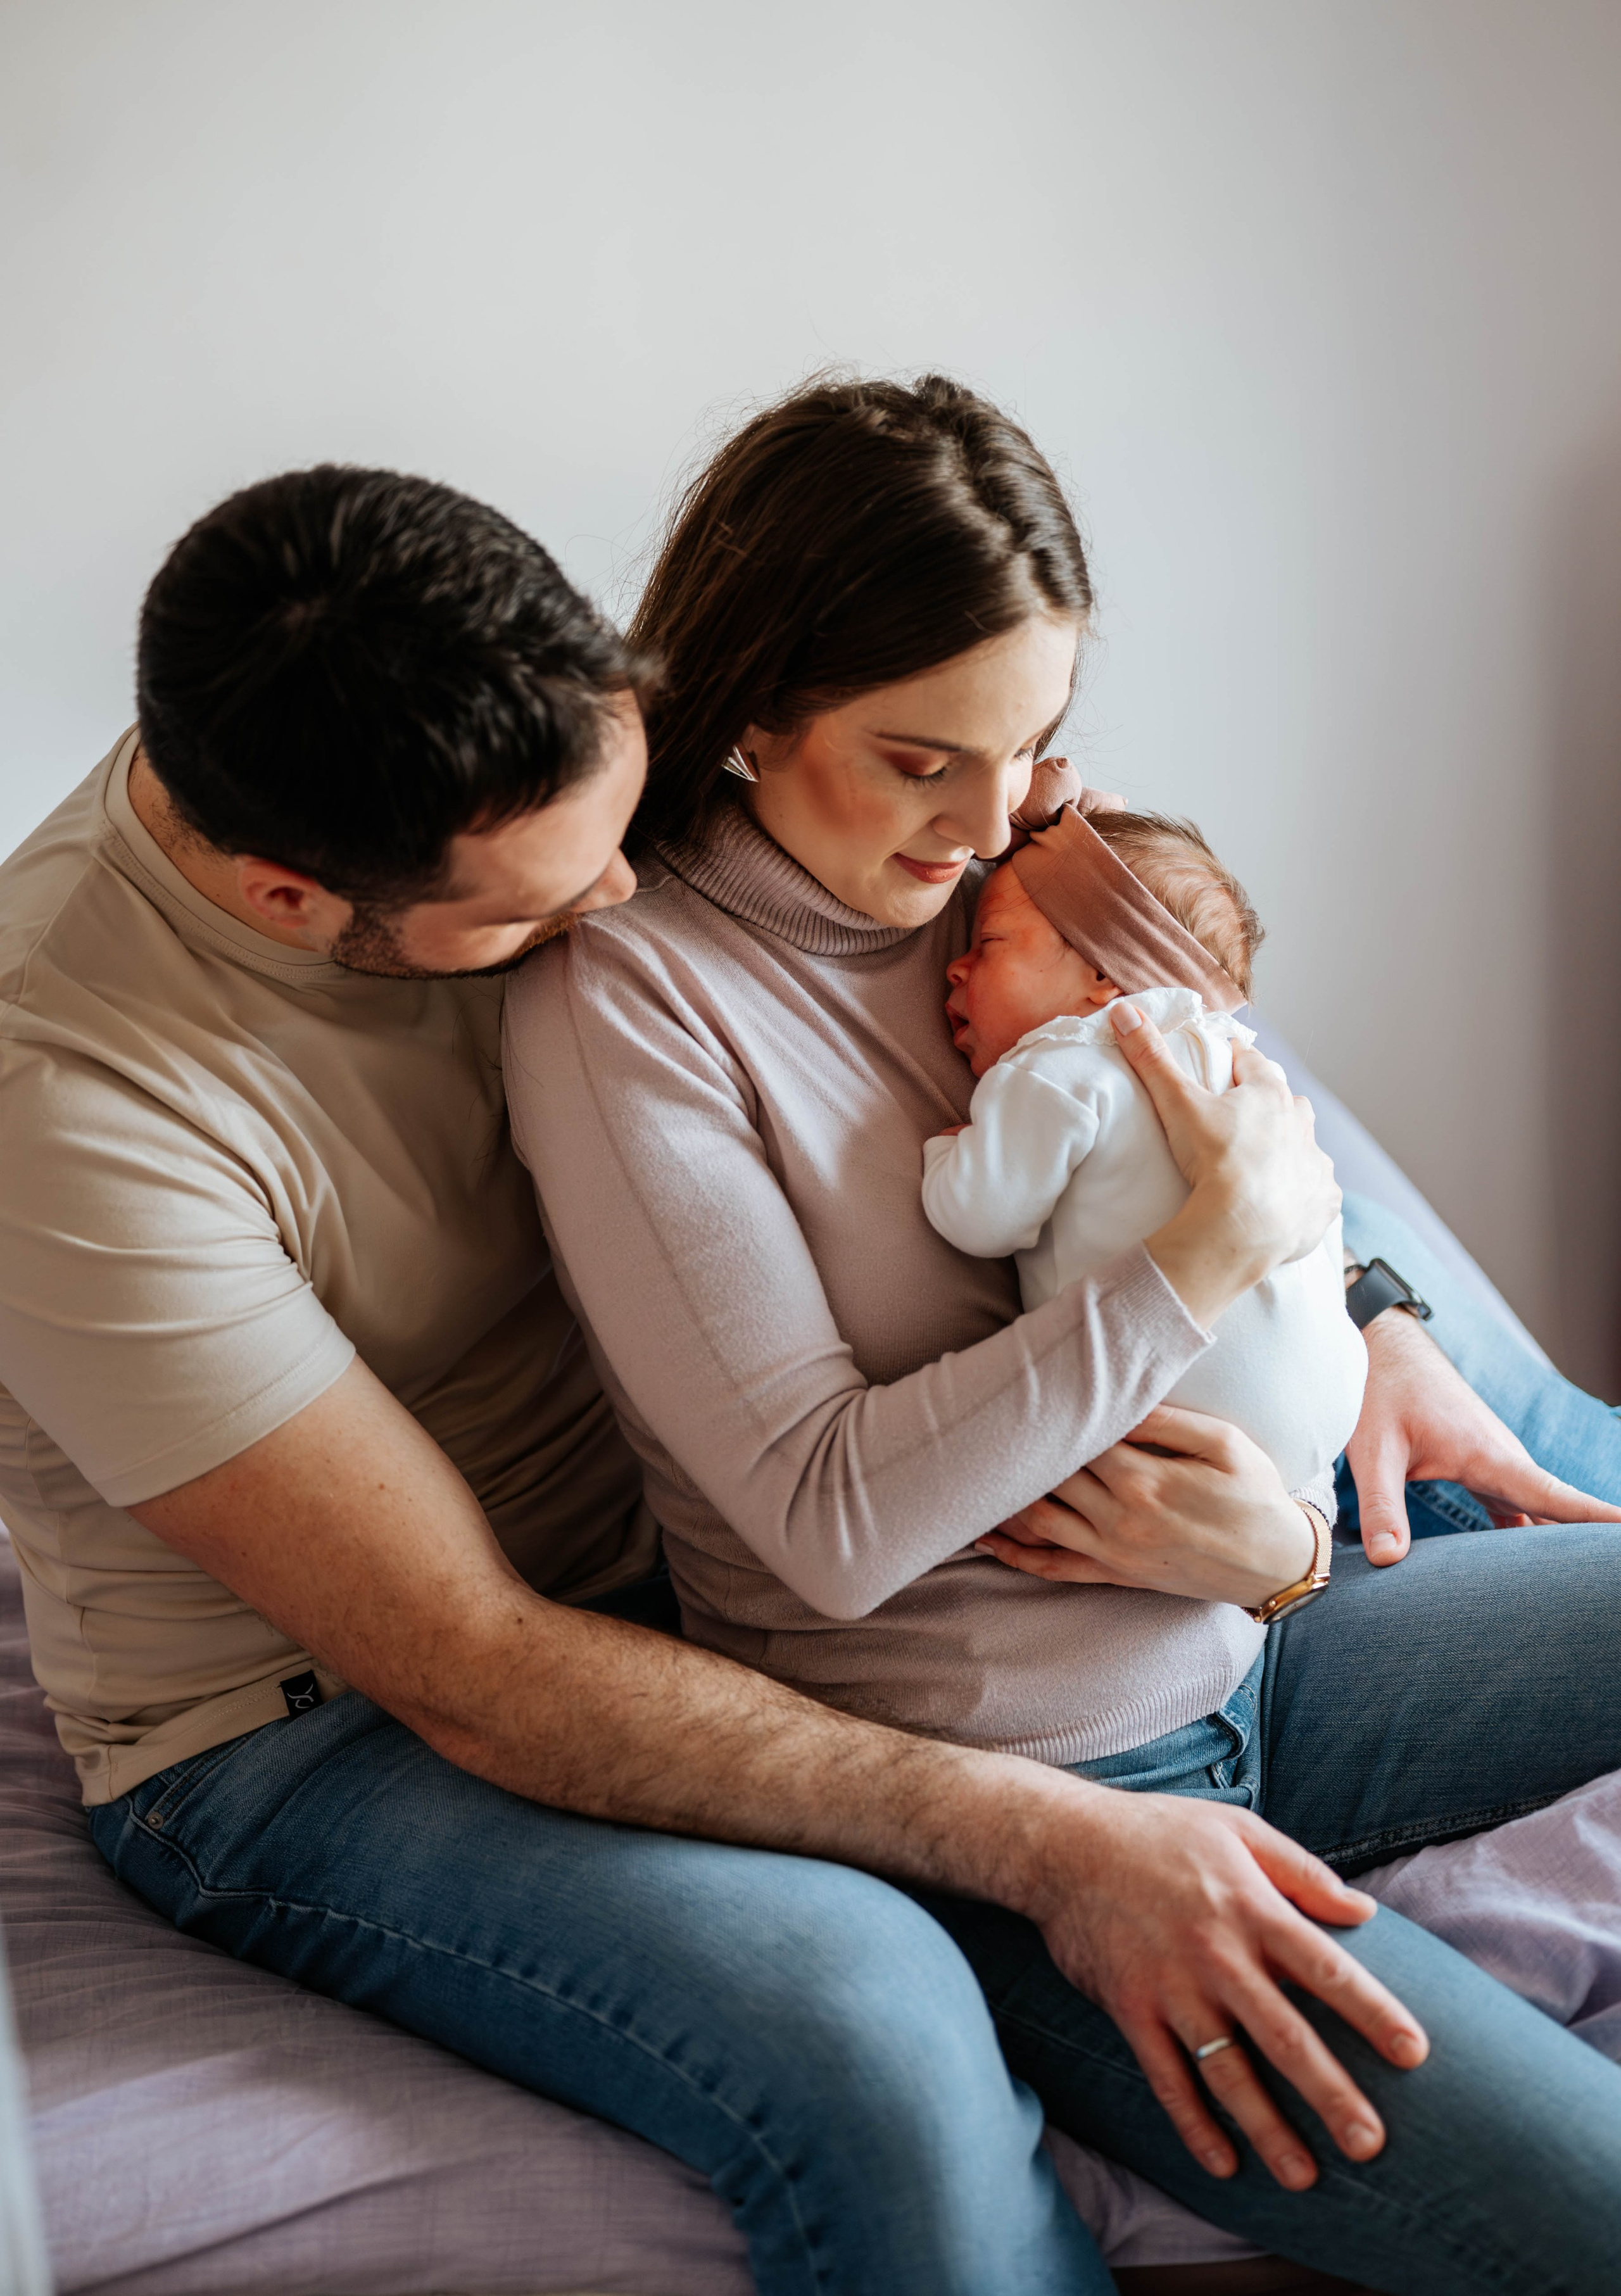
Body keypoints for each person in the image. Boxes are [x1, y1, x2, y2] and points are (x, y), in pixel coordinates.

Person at [0, 449, 1609, 2296]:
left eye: (628, 809)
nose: (620, 893)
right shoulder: (75, 1110)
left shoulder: (756, 795)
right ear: (296, 905)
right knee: (873, 2030)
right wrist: (1064, 1842)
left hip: (825, 1600)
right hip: (328, 1715)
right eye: (535, 910)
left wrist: (1363, 1333)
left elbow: (1187, 1086)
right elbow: (479, 1663)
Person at [506, 372, 1621, 2292]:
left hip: (1272, 1644)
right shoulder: (633, 998)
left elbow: (1251, 1148)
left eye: (1030, 743)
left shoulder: (1034, 867)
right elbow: (828, 1518)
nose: (988, 816)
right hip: (1039, 1795)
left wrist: (1325, 1407)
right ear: (754, 708)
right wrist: (1186, 1272)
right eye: (920, 755)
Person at [923, 798, 1366, 1507]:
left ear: (1105, 975)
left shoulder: (1058, 1063)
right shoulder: (1246, 1068)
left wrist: (946, 1158)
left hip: (1183, 1415)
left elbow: (978, 1219)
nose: (955, 968)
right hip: (1332, 1408)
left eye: (989, 943)